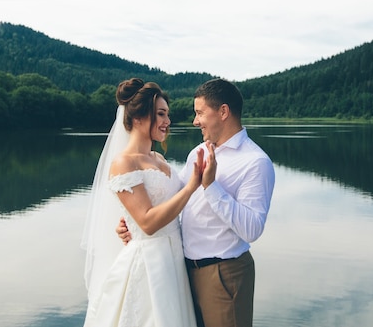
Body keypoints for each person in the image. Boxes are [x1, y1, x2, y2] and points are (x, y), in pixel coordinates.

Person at [118, 78, 276, 327]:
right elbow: (174, 201)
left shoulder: (255, 162)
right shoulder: (198, 151)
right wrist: (133, 223)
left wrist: (212, 187)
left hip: (224, 275)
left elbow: (252, 229)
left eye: (200, 113)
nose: (195, 121)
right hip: (180, 272)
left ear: (223, 112)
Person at [81, 77, 216, 327]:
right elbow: (146, 222)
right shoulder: (124, 163)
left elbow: (162, 208)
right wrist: (191, 186)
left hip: (175, 259)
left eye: (167, 114)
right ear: (137, 118)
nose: (167, 121)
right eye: (161, 114)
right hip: (150, 262)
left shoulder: (160, 160)